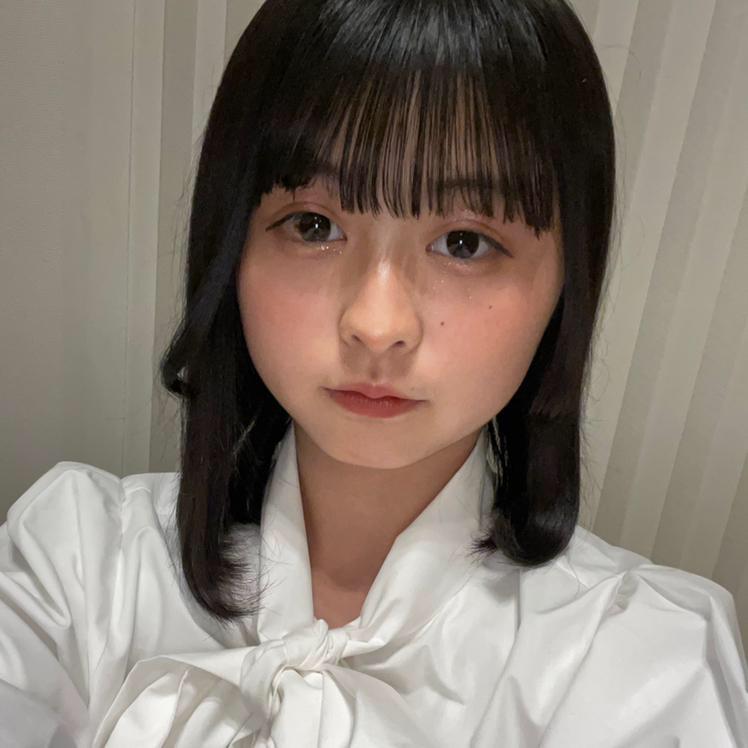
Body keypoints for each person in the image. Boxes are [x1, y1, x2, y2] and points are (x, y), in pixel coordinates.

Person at [1, 0, 747, 745]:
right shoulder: (76, 567)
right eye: (314, 225)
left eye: (464, 241)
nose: (378, 322)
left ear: (566, 285)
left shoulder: (648, 667)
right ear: (231, 248)